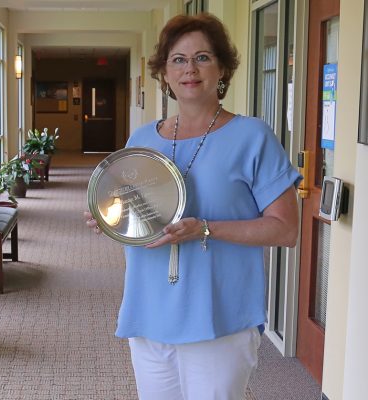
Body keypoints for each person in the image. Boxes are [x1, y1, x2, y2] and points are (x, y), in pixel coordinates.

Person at [85, 12, 301, 400]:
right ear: (164, 73)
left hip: (218, 317)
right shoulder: (142, 140)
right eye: (178, 60)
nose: (190, 69)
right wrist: (110, 217)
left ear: (222, 68)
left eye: (202, 57)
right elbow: (137, 214)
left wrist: (205, 228)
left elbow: (285, 229)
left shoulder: (252, 137)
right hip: (150, 312)